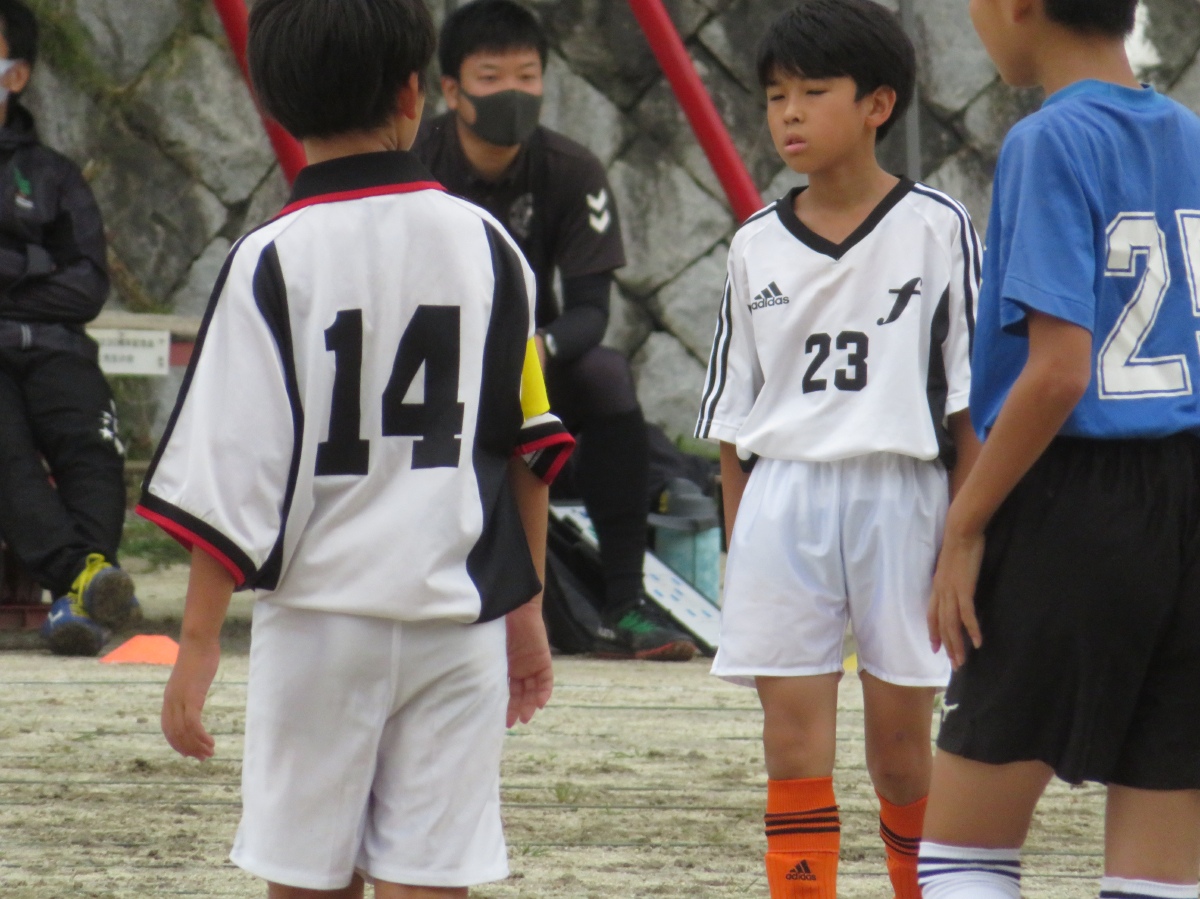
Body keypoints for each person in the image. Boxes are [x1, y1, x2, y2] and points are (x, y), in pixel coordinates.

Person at [139, 0, 574, 895]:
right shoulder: (492, 248)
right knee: (430, 876)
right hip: (457, 622)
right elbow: (527, 448)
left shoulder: (270, 258)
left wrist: (198, 642)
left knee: (306, 876)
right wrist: (526, 613)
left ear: (275, 100)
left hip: (319, 623)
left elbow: (230, 470)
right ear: (415, 94)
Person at [695, 3, 982, 897]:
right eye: (774, 95)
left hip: (903, 497)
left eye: (813, 92)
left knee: (901, 748)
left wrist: (965, 540)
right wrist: (741, 549)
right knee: (791, 743)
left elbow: (969, 407)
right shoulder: (753, 245)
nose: (788, 113)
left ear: (877, 105)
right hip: (784, 500)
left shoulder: (937, 227)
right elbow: (733, 424)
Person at [920, 1, 1200, 897]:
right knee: (1161, 862)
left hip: (1075, 497)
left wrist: (965, 524)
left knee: (963, 850)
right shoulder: (1190, 134)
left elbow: (1057, 373)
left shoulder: (1048, 140)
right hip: (1187, 491)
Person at [413, 0, 697, 662]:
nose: (513, 93)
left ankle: (625, 602)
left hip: (529, 363)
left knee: (606, 374)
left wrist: (536, 348)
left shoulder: (572, 170)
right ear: (451, 89)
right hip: (428, 362)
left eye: (527, 76)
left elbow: (592, 310)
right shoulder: (416, 160)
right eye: (491, 78)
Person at [0, 0, 135, 657]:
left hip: (58, 349)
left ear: (17, 74)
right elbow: (62, 276)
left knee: (92, 442)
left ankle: (76, 599)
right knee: (7, 452)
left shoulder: (54, 175)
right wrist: (33, 268)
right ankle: (84, 579)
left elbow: (86, 286)